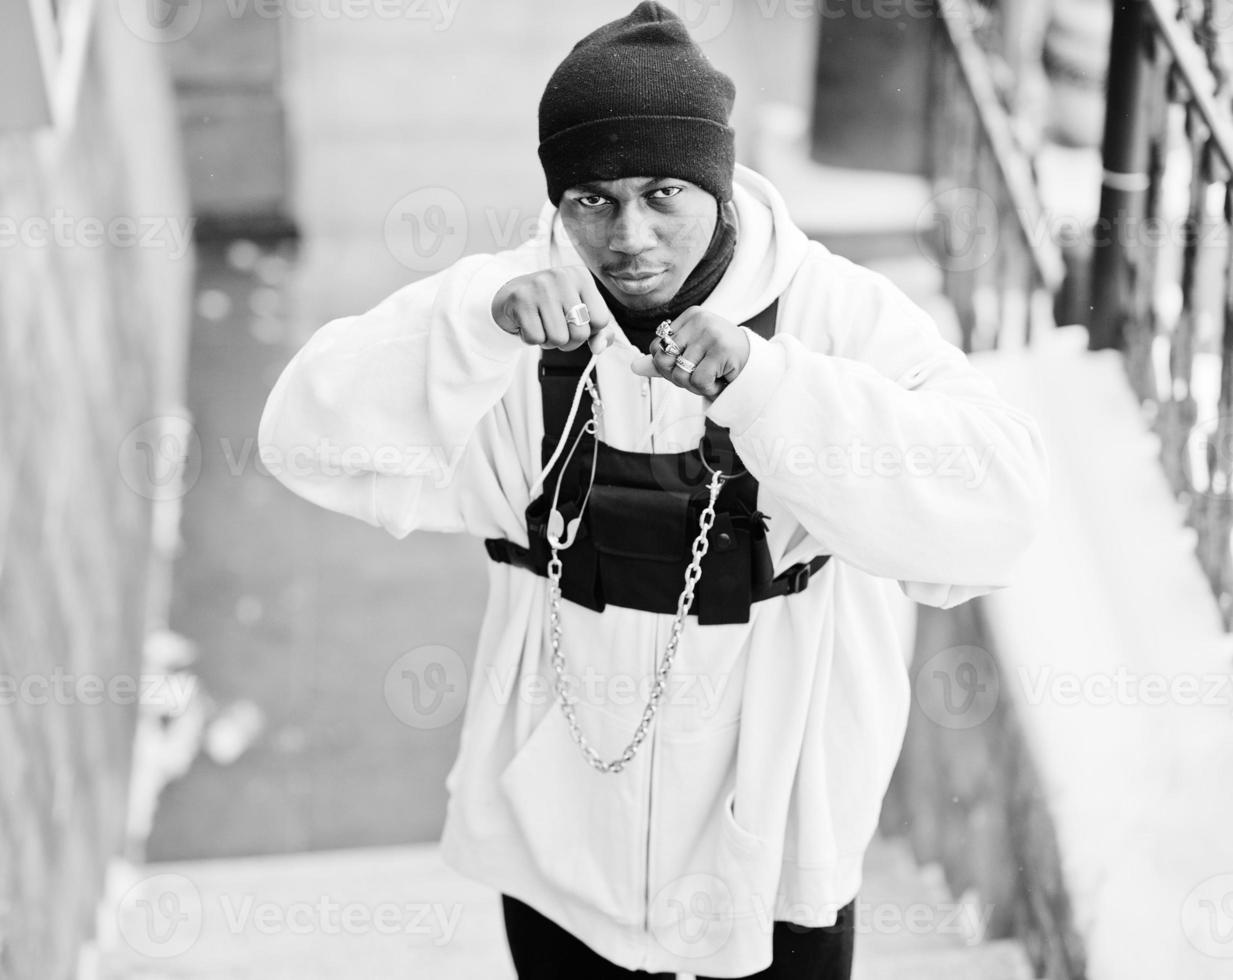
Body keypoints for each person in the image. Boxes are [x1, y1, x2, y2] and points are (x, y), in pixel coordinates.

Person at [258, 4, 1050, 977]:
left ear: (718, 181)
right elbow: (300, 435)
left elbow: (1003, 511)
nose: (628, 234)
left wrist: (768, 386)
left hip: (773, 857)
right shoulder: (509, 317)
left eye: (664, 192)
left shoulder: (833, 314)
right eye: (590, 199)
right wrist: (466, 323)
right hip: (563, 847)